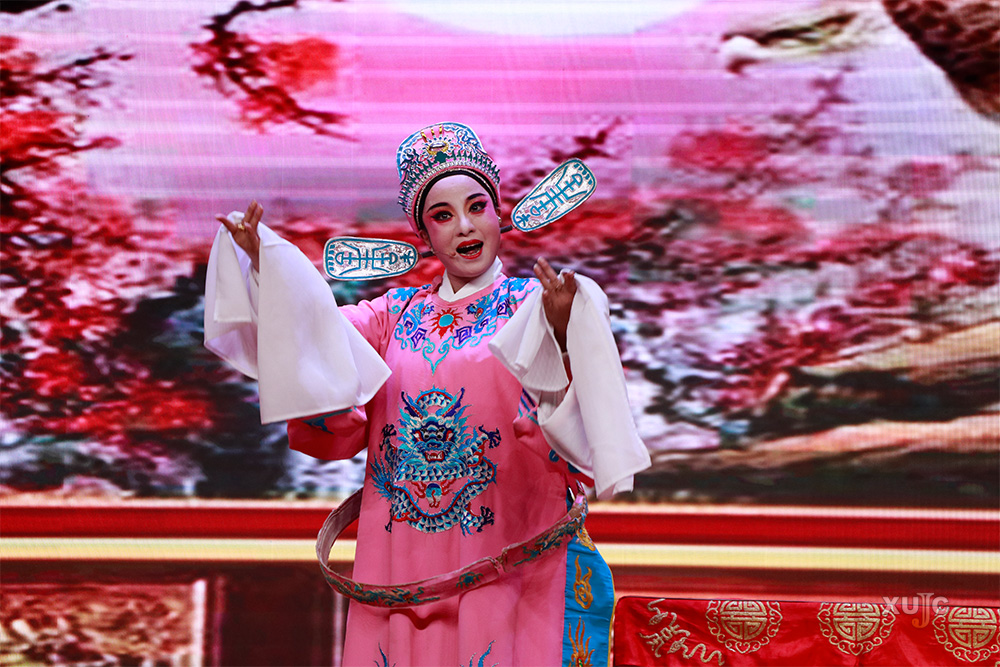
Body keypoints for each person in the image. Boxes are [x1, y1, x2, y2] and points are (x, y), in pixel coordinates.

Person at [204, 122, 650, 666]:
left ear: (499, 214)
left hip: (509, 550)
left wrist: (562, 329)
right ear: (424, 235)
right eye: (443, 215)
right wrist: (266, 267)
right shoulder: (392, 315)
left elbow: (577, 416)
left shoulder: (534, 303)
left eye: (477, 207)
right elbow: (314, 336)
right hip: (402, 555)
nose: (464, 226)